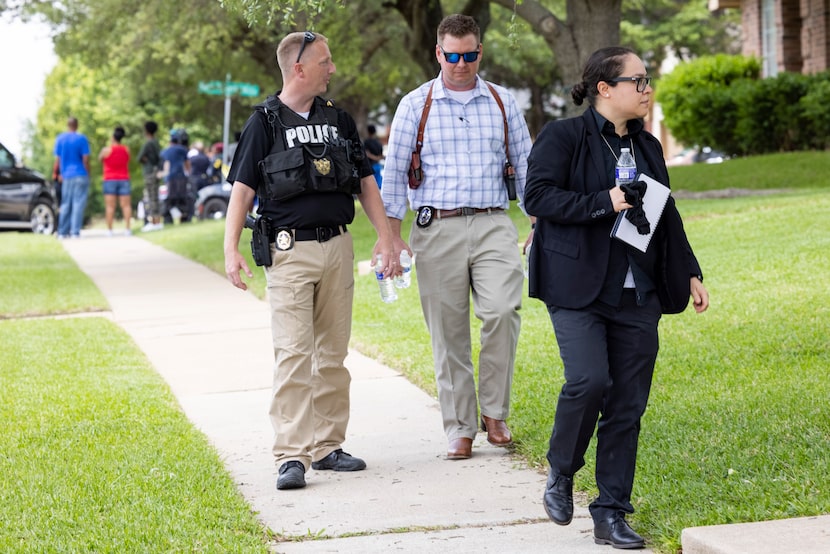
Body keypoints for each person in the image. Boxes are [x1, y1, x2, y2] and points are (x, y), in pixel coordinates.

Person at [523, 46, 710, 549]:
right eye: (639, 81)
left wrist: (689, 271)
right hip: (576, 286)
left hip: (638, 290)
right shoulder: (564, 136)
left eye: (647, 81)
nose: (647, 89)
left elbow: (666, 213)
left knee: (627, 404)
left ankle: (610, 512)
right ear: (605, 88)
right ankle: (562, 470)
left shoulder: (648, 145)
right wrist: (600, 202)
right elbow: (536, 197)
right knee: (588, 380)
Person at [223, 31, 395, 491]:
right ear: (298, 68)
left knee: (333, 355)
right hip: (289, 252)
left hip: (337, 247)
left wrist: (386, 237)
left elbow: (365, 183)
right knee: (294, 354)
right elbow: (242, 189)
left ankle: (327, 447)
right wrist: (230, 250)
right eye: (325, 61)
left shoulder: (339, 119)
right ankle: (291, 455)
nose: (331, 68)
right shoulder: (263, 122)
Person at [381, 14, 533, 460]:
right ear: (438, 54)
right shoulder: (415, 104)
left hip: (492, 223)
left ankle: (495, 413)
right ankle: (460, 426)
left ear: (480, 52)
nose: (461, 63)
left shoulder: (503, 103)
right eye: (452, 56)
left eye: (469, 55)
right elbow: (393, 173)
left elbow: (525, 167)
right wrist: (392, 237)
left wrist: (537, 221)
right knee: (448, 333)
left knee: (503, 311)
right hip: (436, 226)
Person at [52, 117, 91, 238]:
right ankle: (75, 232)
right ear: (77, 125)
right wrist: (88, 172)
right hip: (80, 174)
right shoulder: (82, 139)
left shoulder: (60, 139)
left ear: (67, 125)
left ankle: (62, 232)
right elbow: (85, 159)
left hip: (66, 176)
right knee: (78, 204)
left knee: (65, 204)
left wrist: (57, 174)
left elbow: (57, 160)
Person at [98, 126, 132, 235]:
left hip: (109, 180)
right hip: (124, 179)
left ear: (113, 137)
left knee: (110, 206)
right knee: (126, 205)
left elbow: (100, 159)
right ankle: (127, 229)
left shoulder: (106, 150)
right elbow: (128, 159)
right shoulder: (126, 149)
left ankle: (110, 230)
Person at [160, 130, 191, 223]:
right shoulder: (182, 149)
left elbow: (163, 165)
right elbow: (187, 163)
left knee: (170, 198)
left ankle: (168, 218)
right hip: (180, 176)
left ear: (170, 142)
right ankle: (184, 217)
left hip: (170, 178)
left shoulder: (165, 151)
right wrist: (188, 173)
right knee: (182, 197)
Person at [138, 121, 163, 232]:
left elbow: (139, 157)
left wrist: (146, 160)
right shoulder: (157, 142)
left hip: (149, 173)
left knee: (151, 197)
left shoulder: (148, 143)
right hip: (156, 171)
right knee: (155, 196)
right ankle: (157, 221)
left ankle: (154, 222)